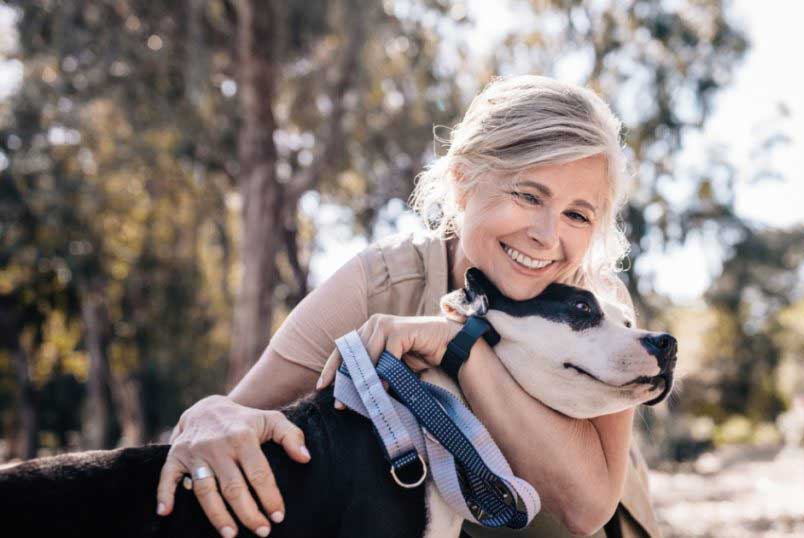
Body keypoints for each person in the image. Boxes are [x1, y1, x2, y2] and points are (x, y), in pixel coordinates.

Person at [155, 75, 661, 538]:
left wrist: (459, 347)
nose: (547, 236)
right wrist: (209, 417)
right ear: (463, 180)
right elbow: (236, 414)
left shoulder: (599, 310)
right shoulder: (382, 283)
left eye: (577, 215)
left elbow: (585, 508)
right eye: (529, 196)